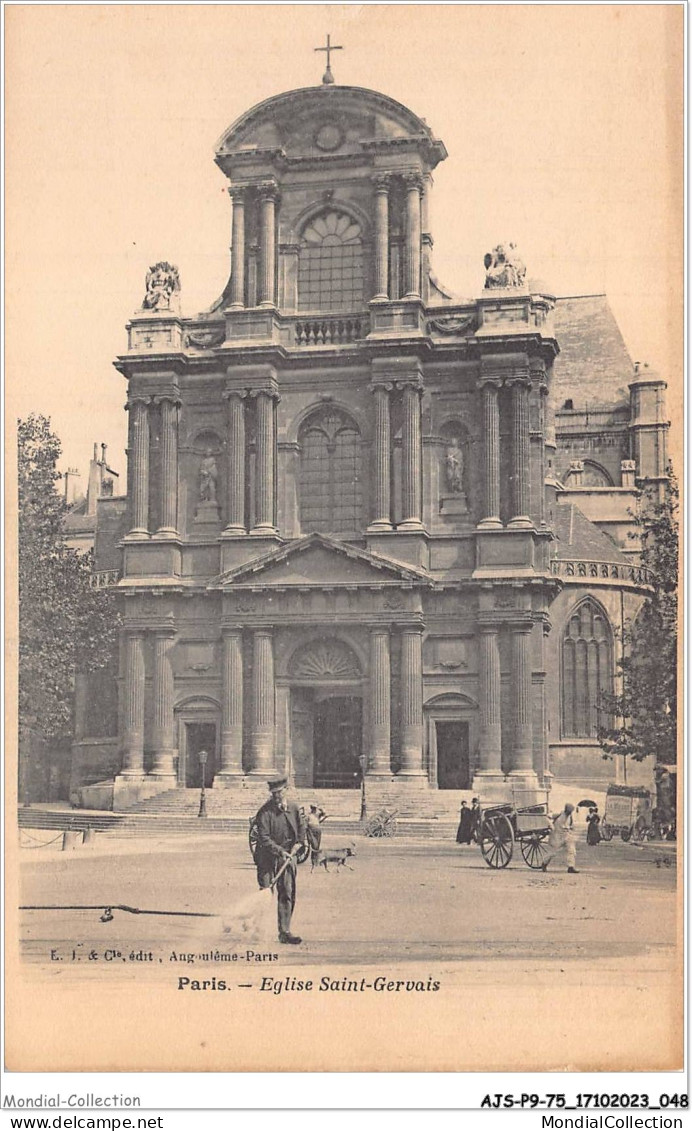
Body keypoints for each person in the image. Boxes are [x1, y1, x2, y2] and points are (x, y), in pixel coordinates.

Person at [254, 777, 307, 945]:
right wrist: (280, 852)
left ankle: (284, 931)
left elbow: (301, 828)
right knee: (265, 892)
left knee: (287, 892)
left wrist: (299, 842)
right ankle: (259, 929)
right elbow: (263, 837)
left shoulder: (293, 808)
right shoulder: (264, 812)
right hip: (267, 857)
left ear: (286, 790)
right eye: (274, 793)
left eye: (280, 792)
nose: (277, 796)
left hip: (288, 856)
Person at [542, 802, 579, 874]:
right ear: (566, 810)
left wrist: (571, 829)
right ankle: (544, 863)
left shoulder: (570, 817)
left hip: (567, 835)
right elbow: (547, 817)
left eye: (570, 812)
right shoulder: (558, 815)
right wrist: (551, 826)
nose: (569, 813)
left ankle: (571, 867)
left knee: (571, 850)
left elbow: (572, 826)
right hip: (557, 835)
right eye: (569, 812)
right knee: (553, 852)